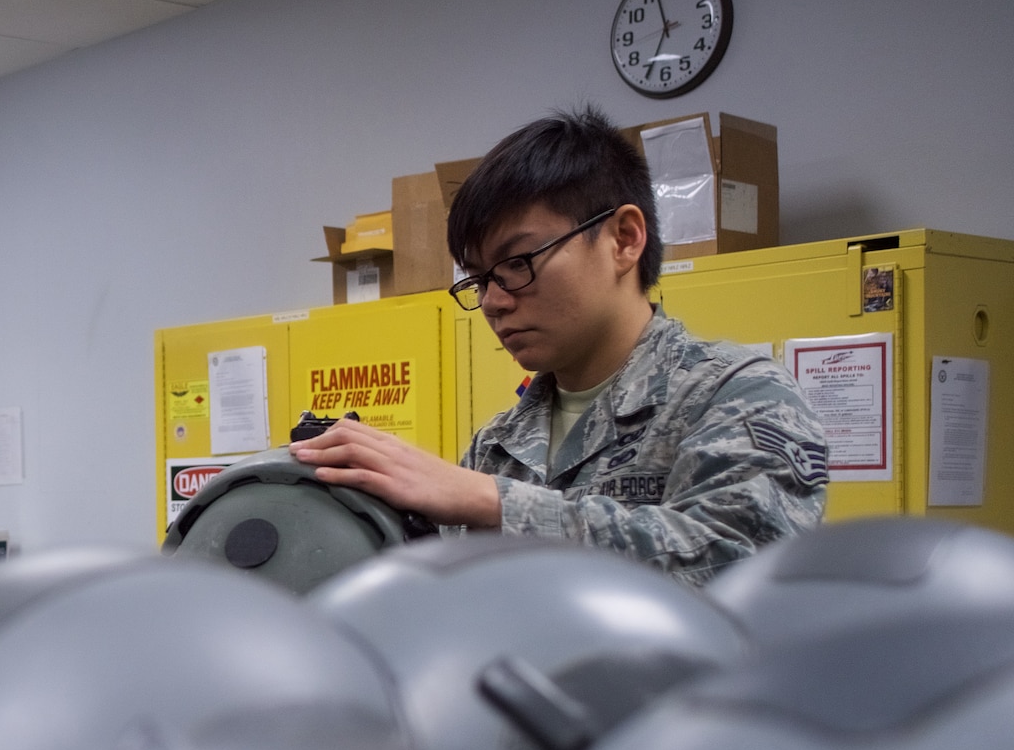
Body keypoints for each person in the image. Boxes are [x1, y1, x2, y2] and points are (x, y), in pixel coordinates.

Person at [289, 107, 828, 585]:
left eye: (518, 263)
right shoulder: (497, 446)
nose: (495, 302)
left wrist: (491, 503)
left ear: (623, 238)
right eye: (478, 281)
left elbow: (743, 569)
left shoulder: (737, 395)